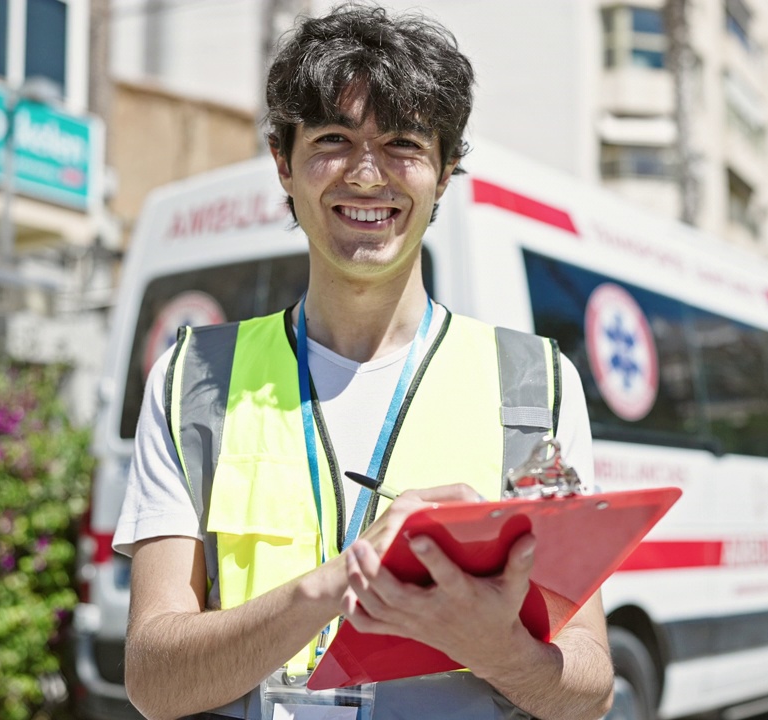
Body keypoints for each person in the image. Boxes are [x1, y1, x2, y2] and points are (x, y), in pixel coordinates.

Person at [111, 4, 614, 719]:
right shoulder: (196, 378)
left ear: (445, 173)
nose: (368, 175)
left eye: (404, 143)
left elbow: (589, 687)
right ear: (283, 163)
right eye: (334, 139)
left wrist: (492, 645)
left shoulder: (536, 384)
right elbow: (154, 682)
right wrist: (339, 582)